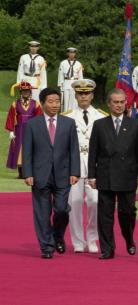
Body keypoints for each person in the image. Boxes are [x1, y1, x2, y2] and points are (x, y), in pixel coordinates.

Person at [88, 88, 138, 260]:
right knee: (105, 214)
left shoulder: (135, 124)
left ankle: (129, 238)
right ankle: (107, 249)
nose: (119, 105)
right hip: (105, 175)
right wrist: (92, 175)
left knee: (127, 212)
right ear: (109, 103)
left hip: (127, 175)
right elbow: (93, 152)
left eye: (122, 102)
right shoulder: (99, 125)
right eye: (116, 102)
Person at [22, 87, 80, 259]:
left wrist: (75, 171)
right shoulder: (32, 124)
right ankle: (47, 247)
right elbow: (27, 151)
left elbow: (74, 150)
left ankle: (57, 236)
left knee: (62, 209)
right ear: (42, 103)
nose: (55, 105)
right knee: (42, 213)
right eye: (51, 101)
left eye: (57, 101)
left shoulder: (69, 123)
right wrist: (28, 173)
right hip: (40, 175)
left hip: (63, 174)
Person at [62, 79, 107, 253]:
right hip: (74, 166)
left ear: (92, 95)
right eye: (80, 93)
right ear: (75, 95)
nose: (83, 96)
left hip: (95, 166)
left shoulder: (101, 116)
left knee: (95, 202)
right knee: (75, 202)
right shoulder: (67, 117)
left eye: (86, 93)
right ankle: (78, 241)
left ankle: (92, 238)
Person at [5, 81, 43, 177]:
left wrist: (38, 130)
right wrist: (11, 131)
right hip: (19, 130)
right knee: (18, 150)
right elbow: (10, 117)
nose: (25, 93)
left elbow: (39, 118)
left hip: (31, 130)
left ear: (30, 92)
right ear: (20, 92)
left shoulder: (36, 104)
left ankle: (29, 173)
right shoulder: (15, 104)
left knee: (30, 149)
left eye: (27, 91)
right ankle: (20, 173)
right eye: (23, 91)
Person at [58, 47, 84, 112]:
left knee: (74, 101)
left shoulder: (78, 64)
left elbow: (80, 76)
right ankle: (65, 114)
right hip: (66, 82)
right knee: (65, 101)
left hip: (75, 83)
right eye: (70, 53)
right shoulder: (63, 63)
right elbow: (60, 74)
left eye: (73, 53)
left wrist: (80, 86)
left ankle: (74, 114)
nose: (72, 54)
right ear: (68, 53)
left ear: (75, 54)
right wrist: (60, 85)